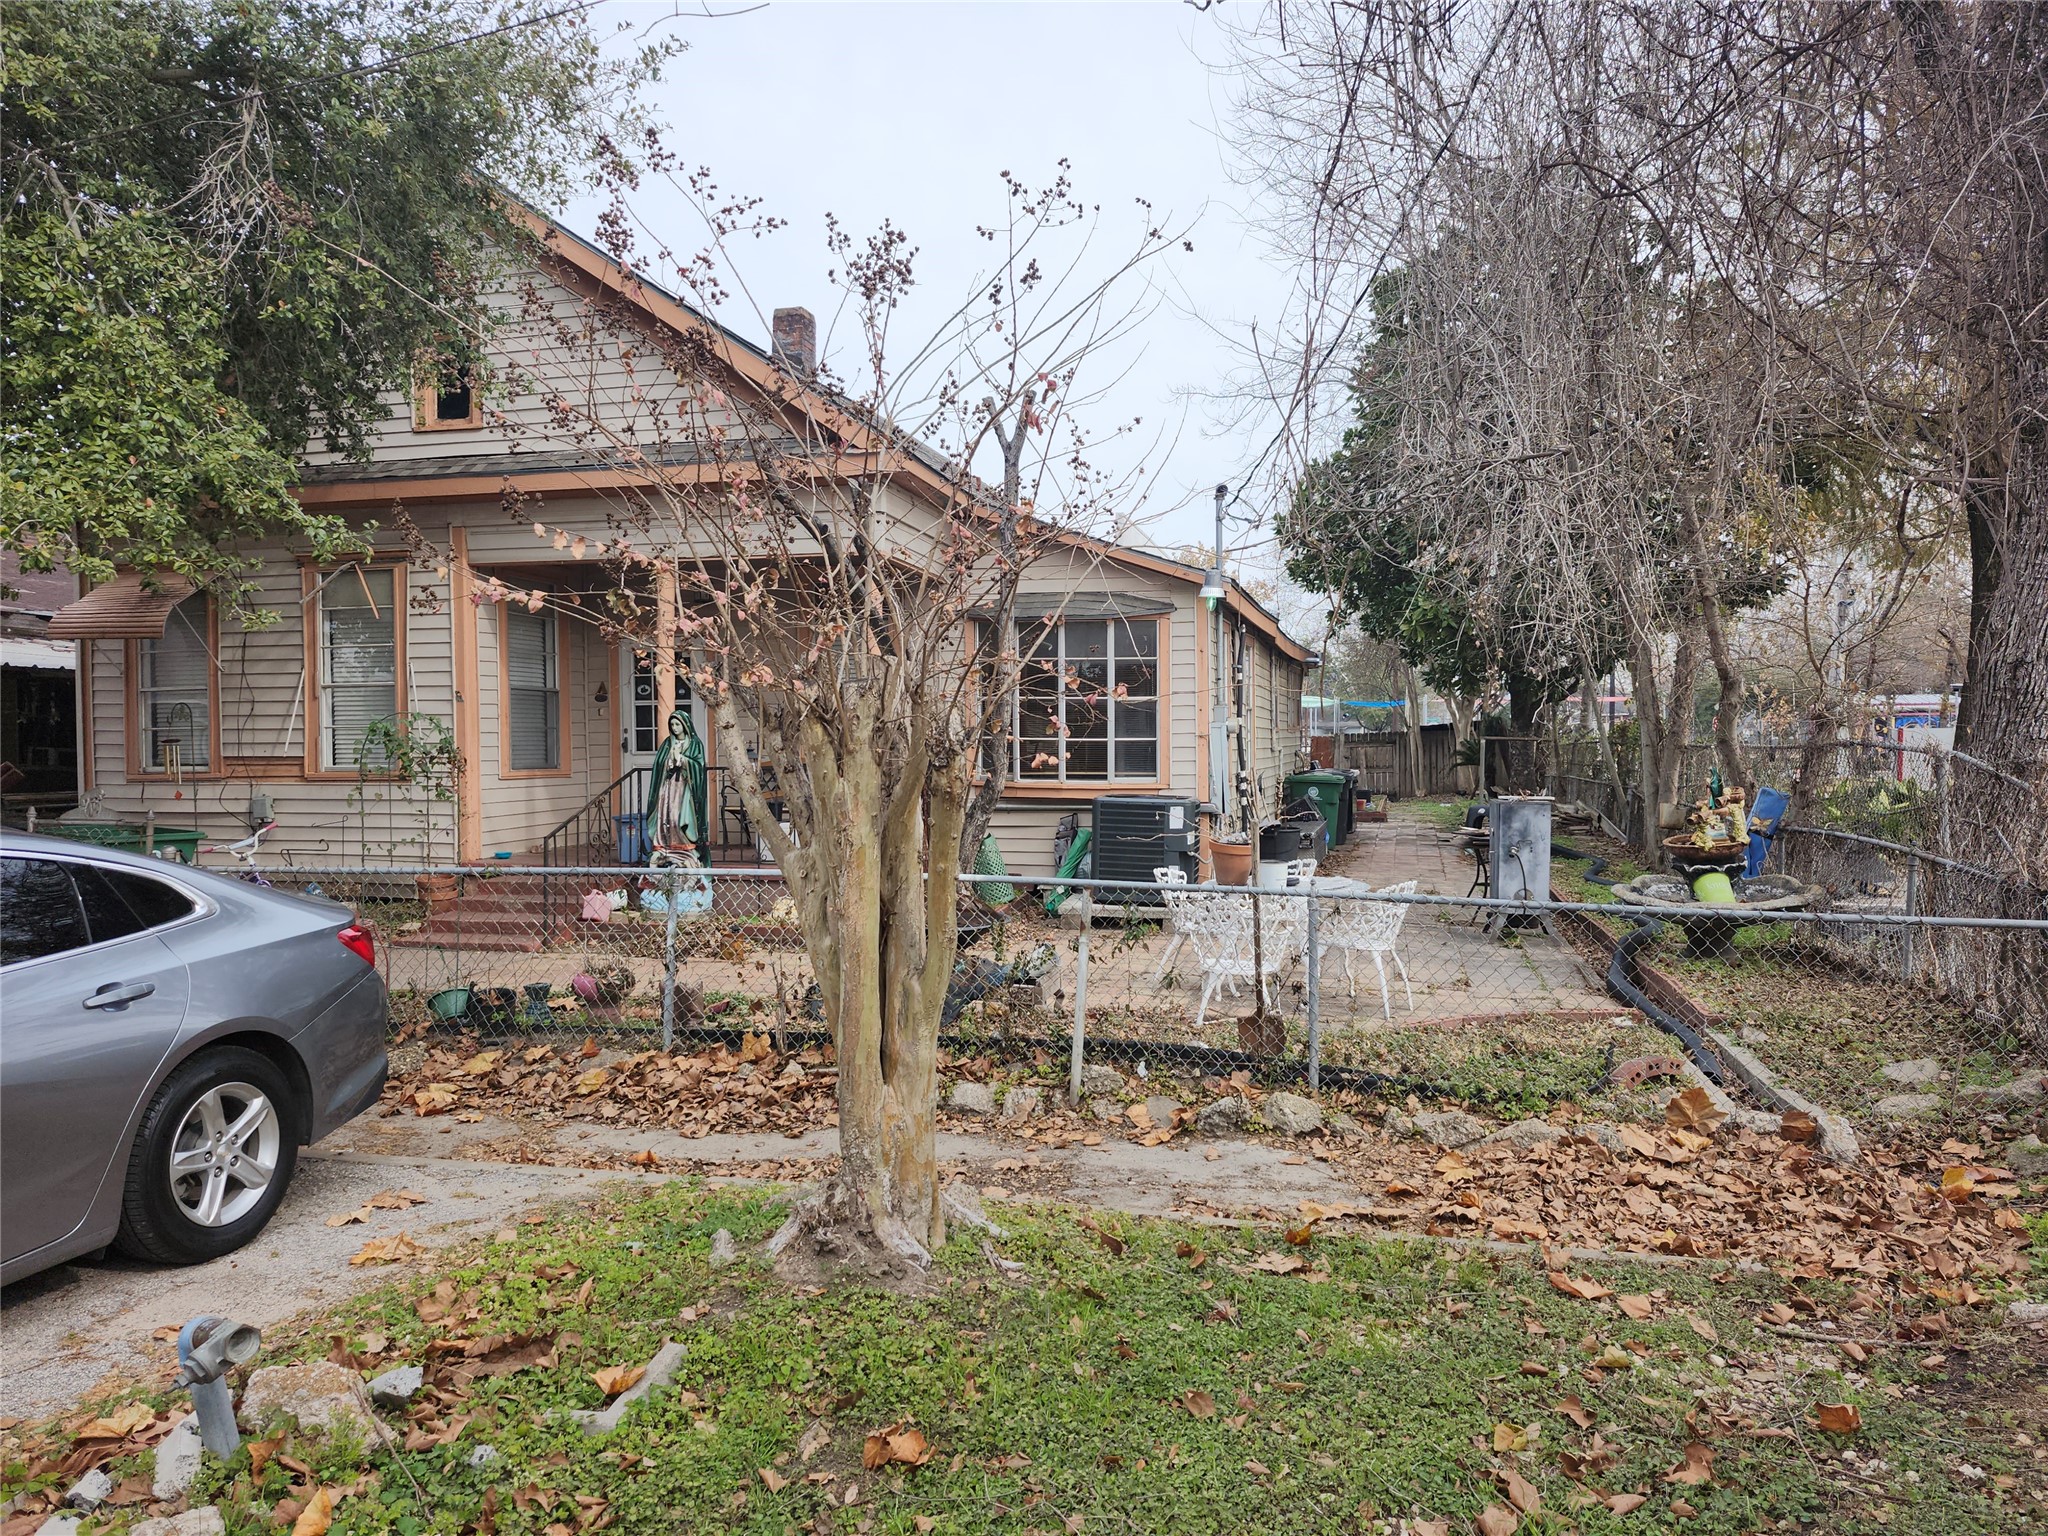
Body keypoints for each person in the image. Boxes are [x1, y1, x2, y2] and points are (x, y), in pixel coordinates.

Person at [645, 707, 707, 862]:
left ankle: (684, 846)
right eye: (672, 725)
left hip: (685, 788)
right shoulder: (667, 743)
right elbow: (659, 764)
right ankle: (665, 846)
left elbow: (699, 765)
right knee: (666, 815)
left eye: (677, 724)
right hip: (668, 786)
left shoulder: (695, 744)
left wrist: (683, 760)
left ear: (685, 725)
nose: (675, 728)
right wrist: (670, 761)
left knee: (678, 817)